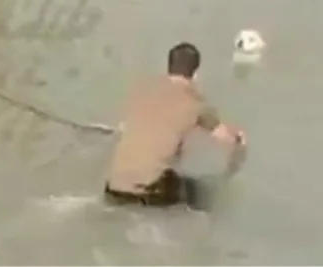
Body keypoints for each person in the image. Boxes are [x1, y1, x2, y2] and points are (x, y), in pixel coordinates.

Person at [104, 42, 247, 209]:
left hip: (113, 186)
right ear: (195, 74)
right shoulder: (196, 103)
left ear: (169, 67)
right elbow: (226, 139)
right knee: (203, 193)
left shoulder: (142, 91)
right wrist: (239, 143)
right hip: (151, 191)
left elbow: (126, 128)